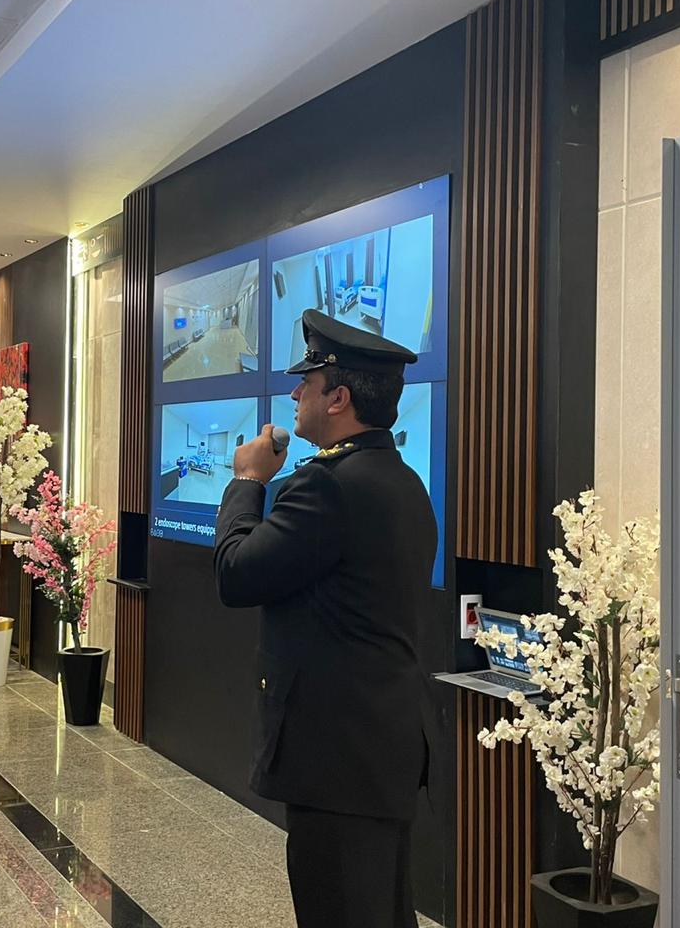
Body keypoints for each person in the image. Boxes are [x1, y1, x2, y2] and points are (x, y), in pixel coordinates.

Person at [213, 309, 437, 928]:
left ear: (338, 399)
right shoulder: (401, 480)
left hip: (336, 758)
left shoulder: (328, 487)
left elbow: (236, 574)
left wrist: (247, 481)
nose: (294, 395)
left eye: (305, 383)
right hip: (379, 748)